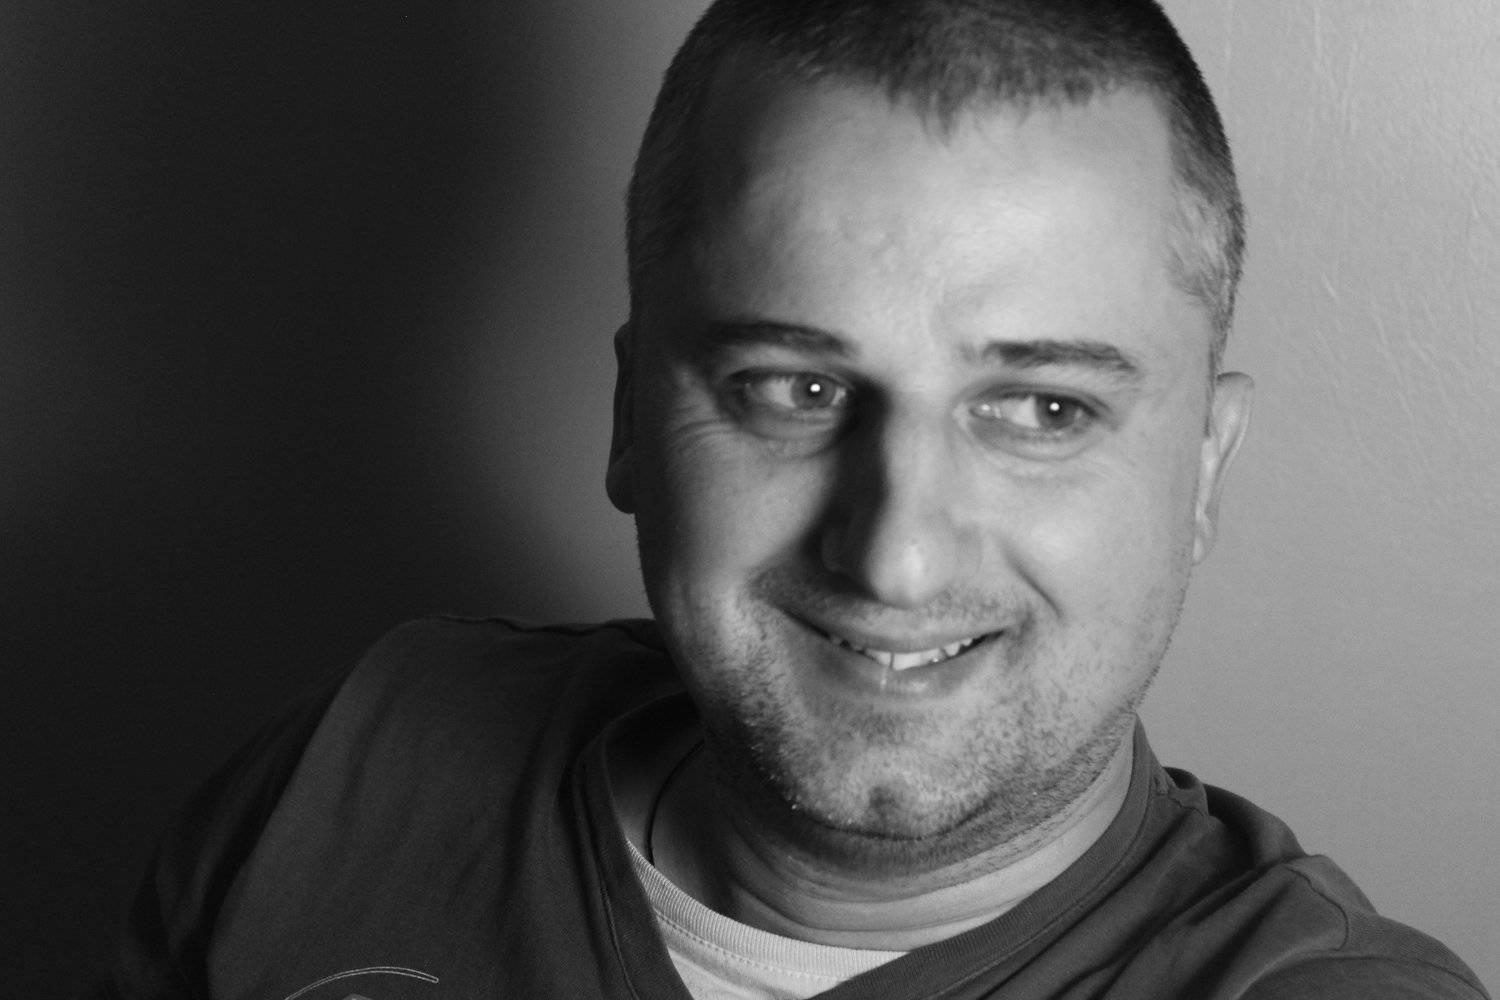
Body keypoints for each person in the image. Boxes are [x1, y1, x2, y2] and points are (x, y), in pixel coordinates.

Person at [88, 1, 1489, 998]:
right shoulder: (350, 769)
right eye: (794, 389)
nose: (895, 556)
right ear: (633, 418)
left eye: (1044, 409)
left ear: (1203, 473)